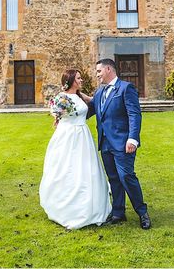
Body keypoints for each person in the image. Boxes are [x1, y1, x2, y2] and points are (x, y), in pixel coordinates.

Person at [39, 69, 111, 229]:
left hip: (82, 135)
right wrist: (58, 118)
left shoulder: (79, 95)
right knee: (67, 168)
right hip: (68, 136)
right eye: (79, 78)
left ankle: (91, 205)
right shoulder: (61, 97)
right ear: (71, 80)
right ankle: (66, 207)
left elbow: (92, 101)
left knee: (86, 168)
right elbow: (56, 112)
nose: (81, 80)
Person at [85, 58, 151, 230]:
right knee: (113, 179)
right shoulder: (99, 93)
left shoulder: (125, 88)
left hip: (123, 143)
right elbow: (88, 111)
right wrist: (66, 111)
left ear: (108, 69)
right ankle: (118, 212)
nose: (97, 74)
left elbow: (134, 115)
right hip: (105, 144)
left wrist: (133, 138)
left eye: (99, 71)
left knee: (127, 177)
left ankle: (142, 212)